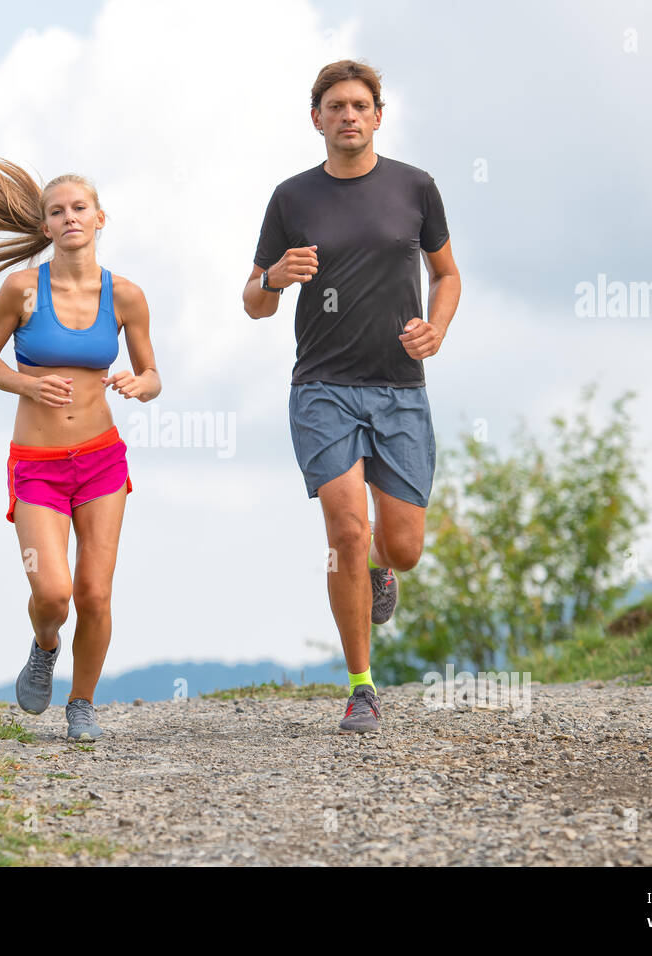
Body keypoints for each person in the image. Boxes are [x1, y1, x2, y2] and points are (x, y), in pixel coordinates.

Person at [243, 61, 461, 733]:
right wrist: (276, 277)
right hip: (323, 388)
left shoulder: (415, 188)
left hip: (398, 387)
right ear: (317, 118)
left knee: (401, 547)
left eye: (359, 105)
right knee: (345, 529)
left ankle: (382, 573)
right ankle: (361, 687)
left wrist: (438, 325)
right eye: (334, 105)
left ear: (377, 115)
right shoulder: (292, 199)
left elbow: (446, 274)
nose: (347, 115)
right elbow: (254, 304)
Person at [0, 154, 161, 741]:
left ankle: (81, 703)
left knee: (95, 592)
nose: (70, 217)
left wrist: (136, 383)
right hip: (38, 467)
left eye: (80, 208)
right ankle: (45, 644)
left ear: (101, 218)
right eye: (58, 211)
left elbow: (153, 375)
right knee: (53, 592)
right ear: (45, 226)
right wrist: (27, 383)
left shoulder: (125, 296)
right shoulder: (22, 289)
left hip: (102, 459)